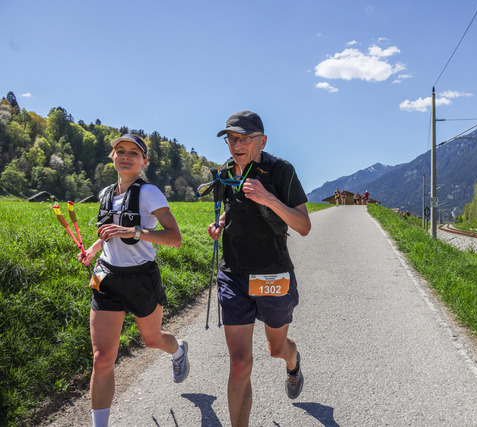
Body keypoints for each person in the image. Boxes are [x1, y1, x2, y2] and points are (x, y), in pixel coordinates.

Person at [207, 111, 311, 427]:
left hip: (272, 274)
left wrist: (268, 199)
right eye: (231, 138)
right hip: (233, 274)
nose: (236, 145)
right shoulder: (226, 172)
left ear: (262, 141)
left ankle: (292, 361)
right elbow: (232, 210)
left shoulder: (281, 171)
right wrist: (220, 224)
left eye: (244, 138)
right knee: (239, 364)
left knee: (276, 348)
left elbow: (303, 226)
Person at [77, 134, 187, 427]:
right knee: (102, 359)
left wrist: (134, 232)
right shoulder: (105, 193)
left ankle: (178, 351)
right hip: (107, 279)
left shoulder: (149, 193)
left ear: (144, 162)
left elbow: (174, 238)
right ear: (112, 157)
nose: (126, 156)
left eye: (134, 153)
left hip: (141, 278)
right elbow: (108, 232)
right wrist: (92, 250)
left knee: (152, 340)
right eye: (120, 151)